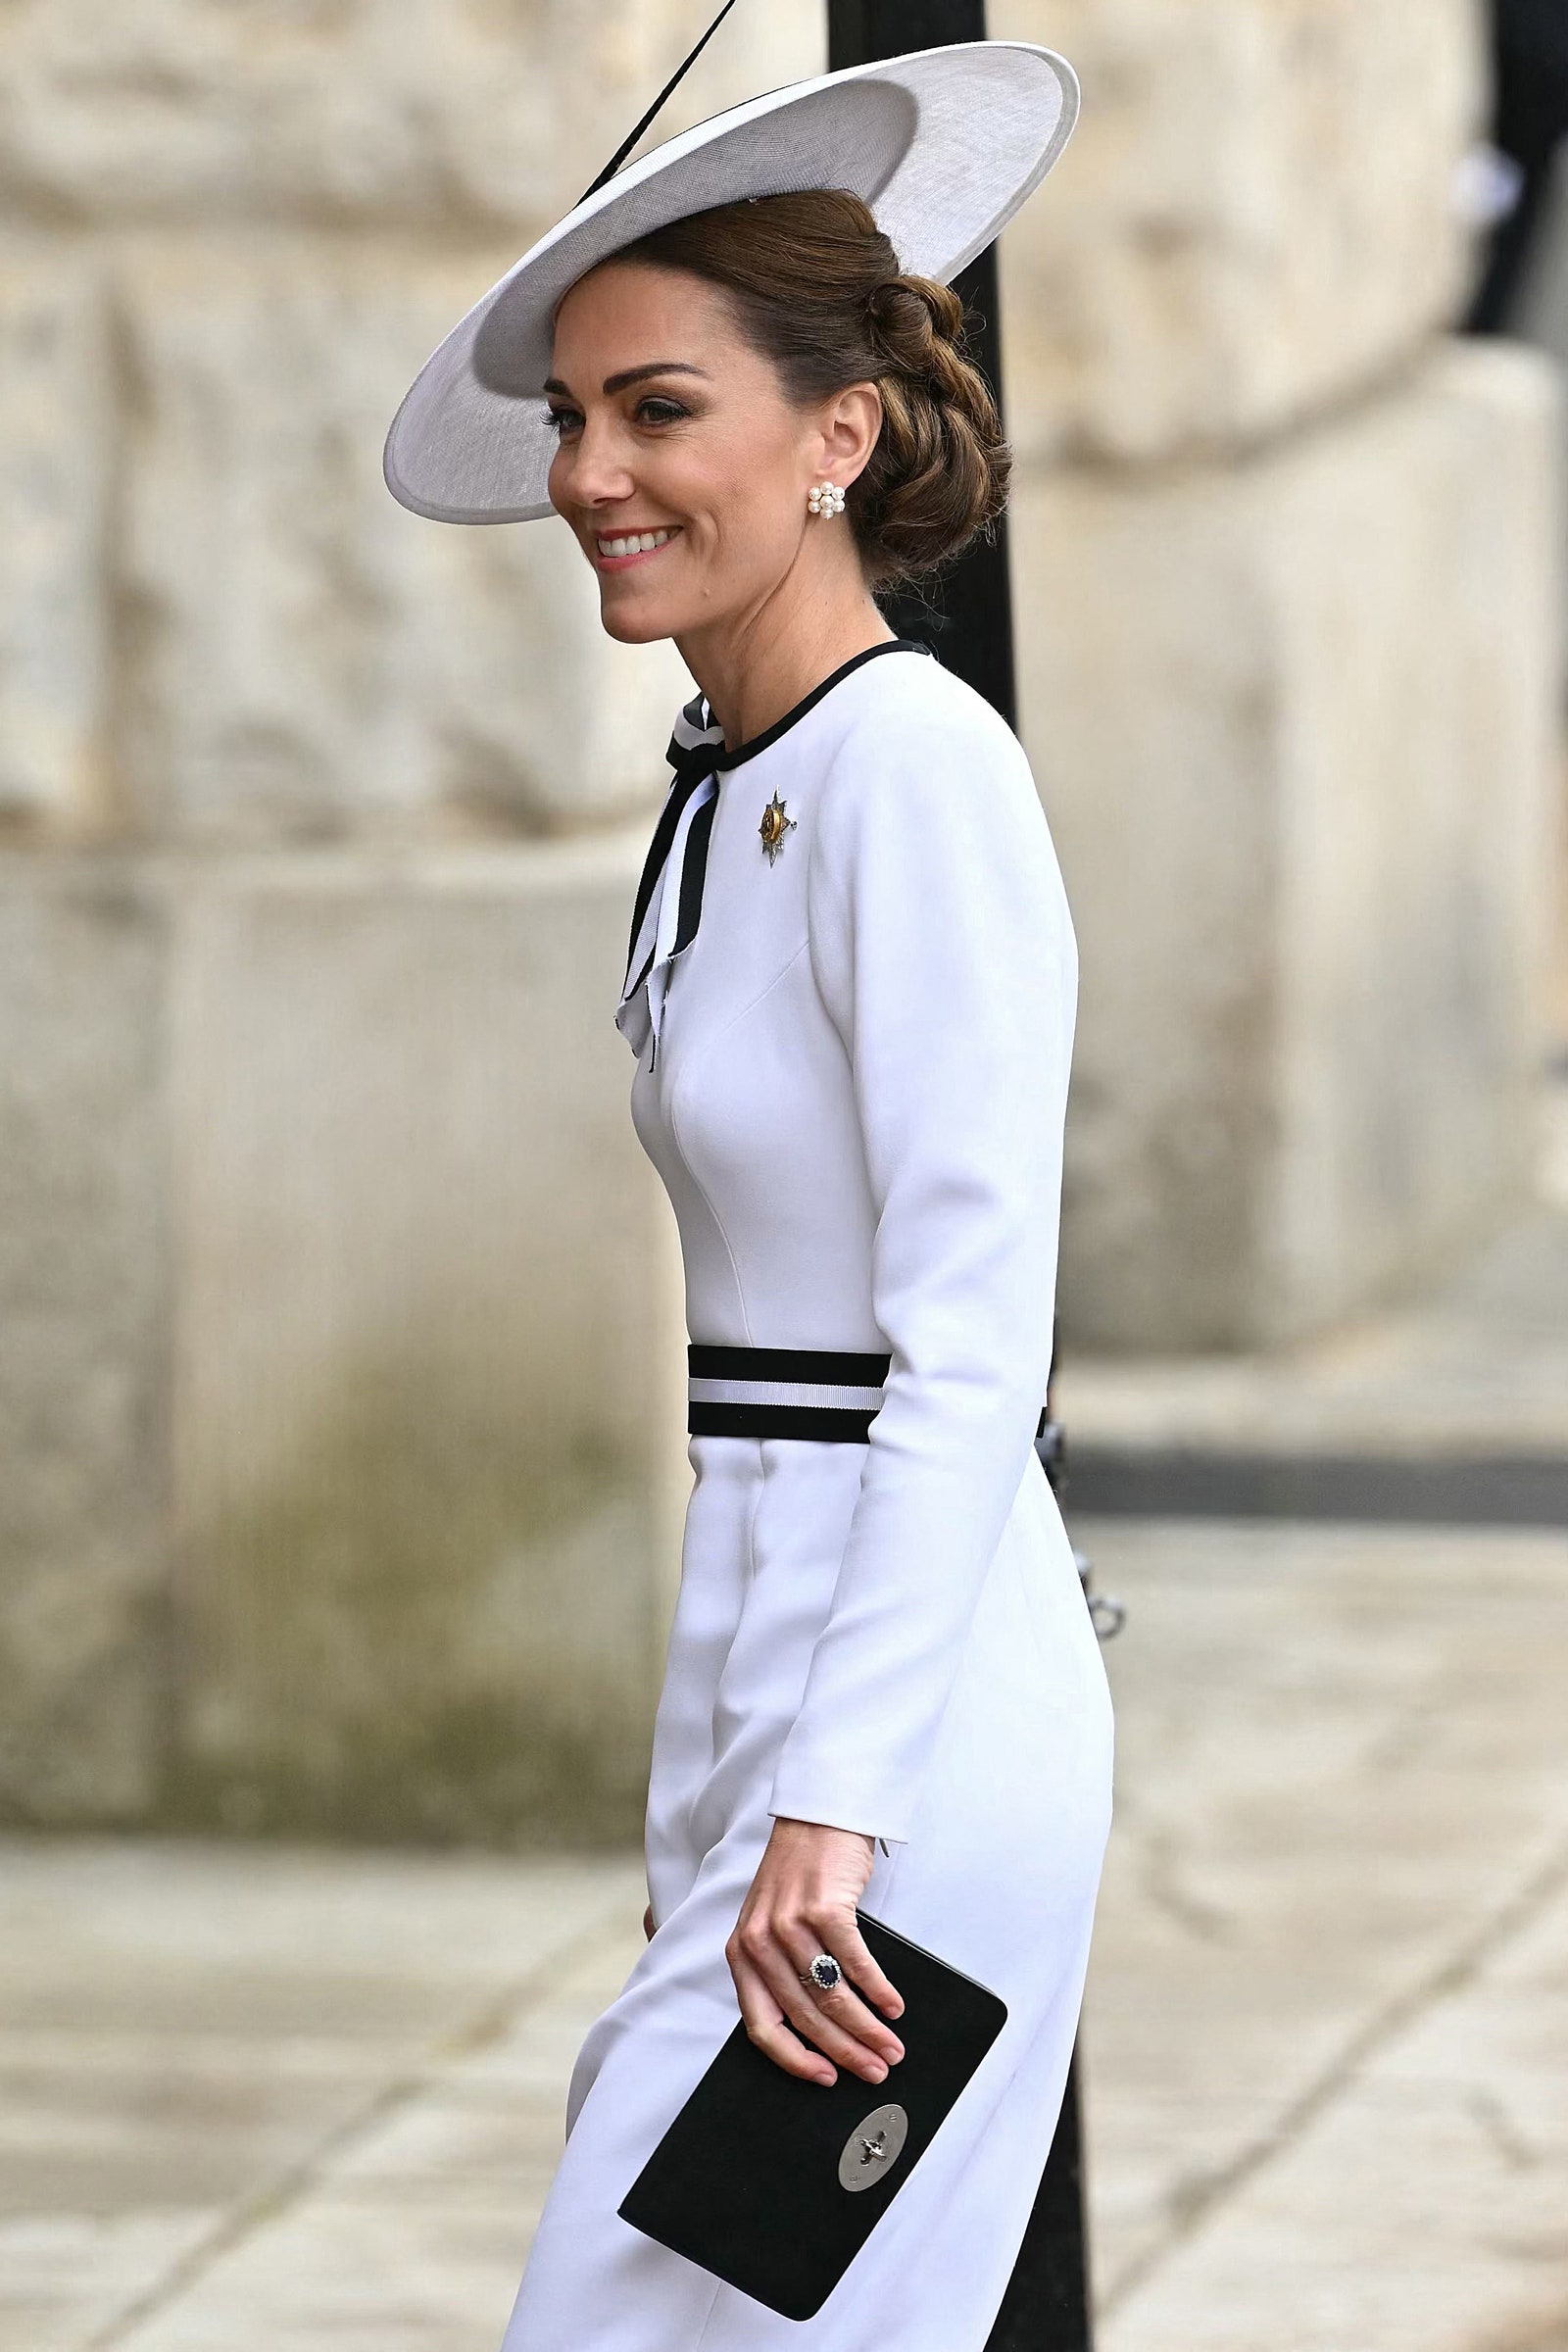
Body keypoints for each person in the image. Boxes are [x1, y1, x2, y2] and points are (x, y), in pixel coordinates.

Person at [384, 39, 1113, 2351]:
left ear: (839, 436)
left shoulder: (919, 776)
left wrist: (837, 1802)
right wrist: (723, 1781)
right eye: (578, 416)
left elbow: (967, 1338)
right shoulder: (729, 778)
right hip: (783, 1687)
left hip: (900, 1727)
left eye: (655, 410)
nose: (591, 472)